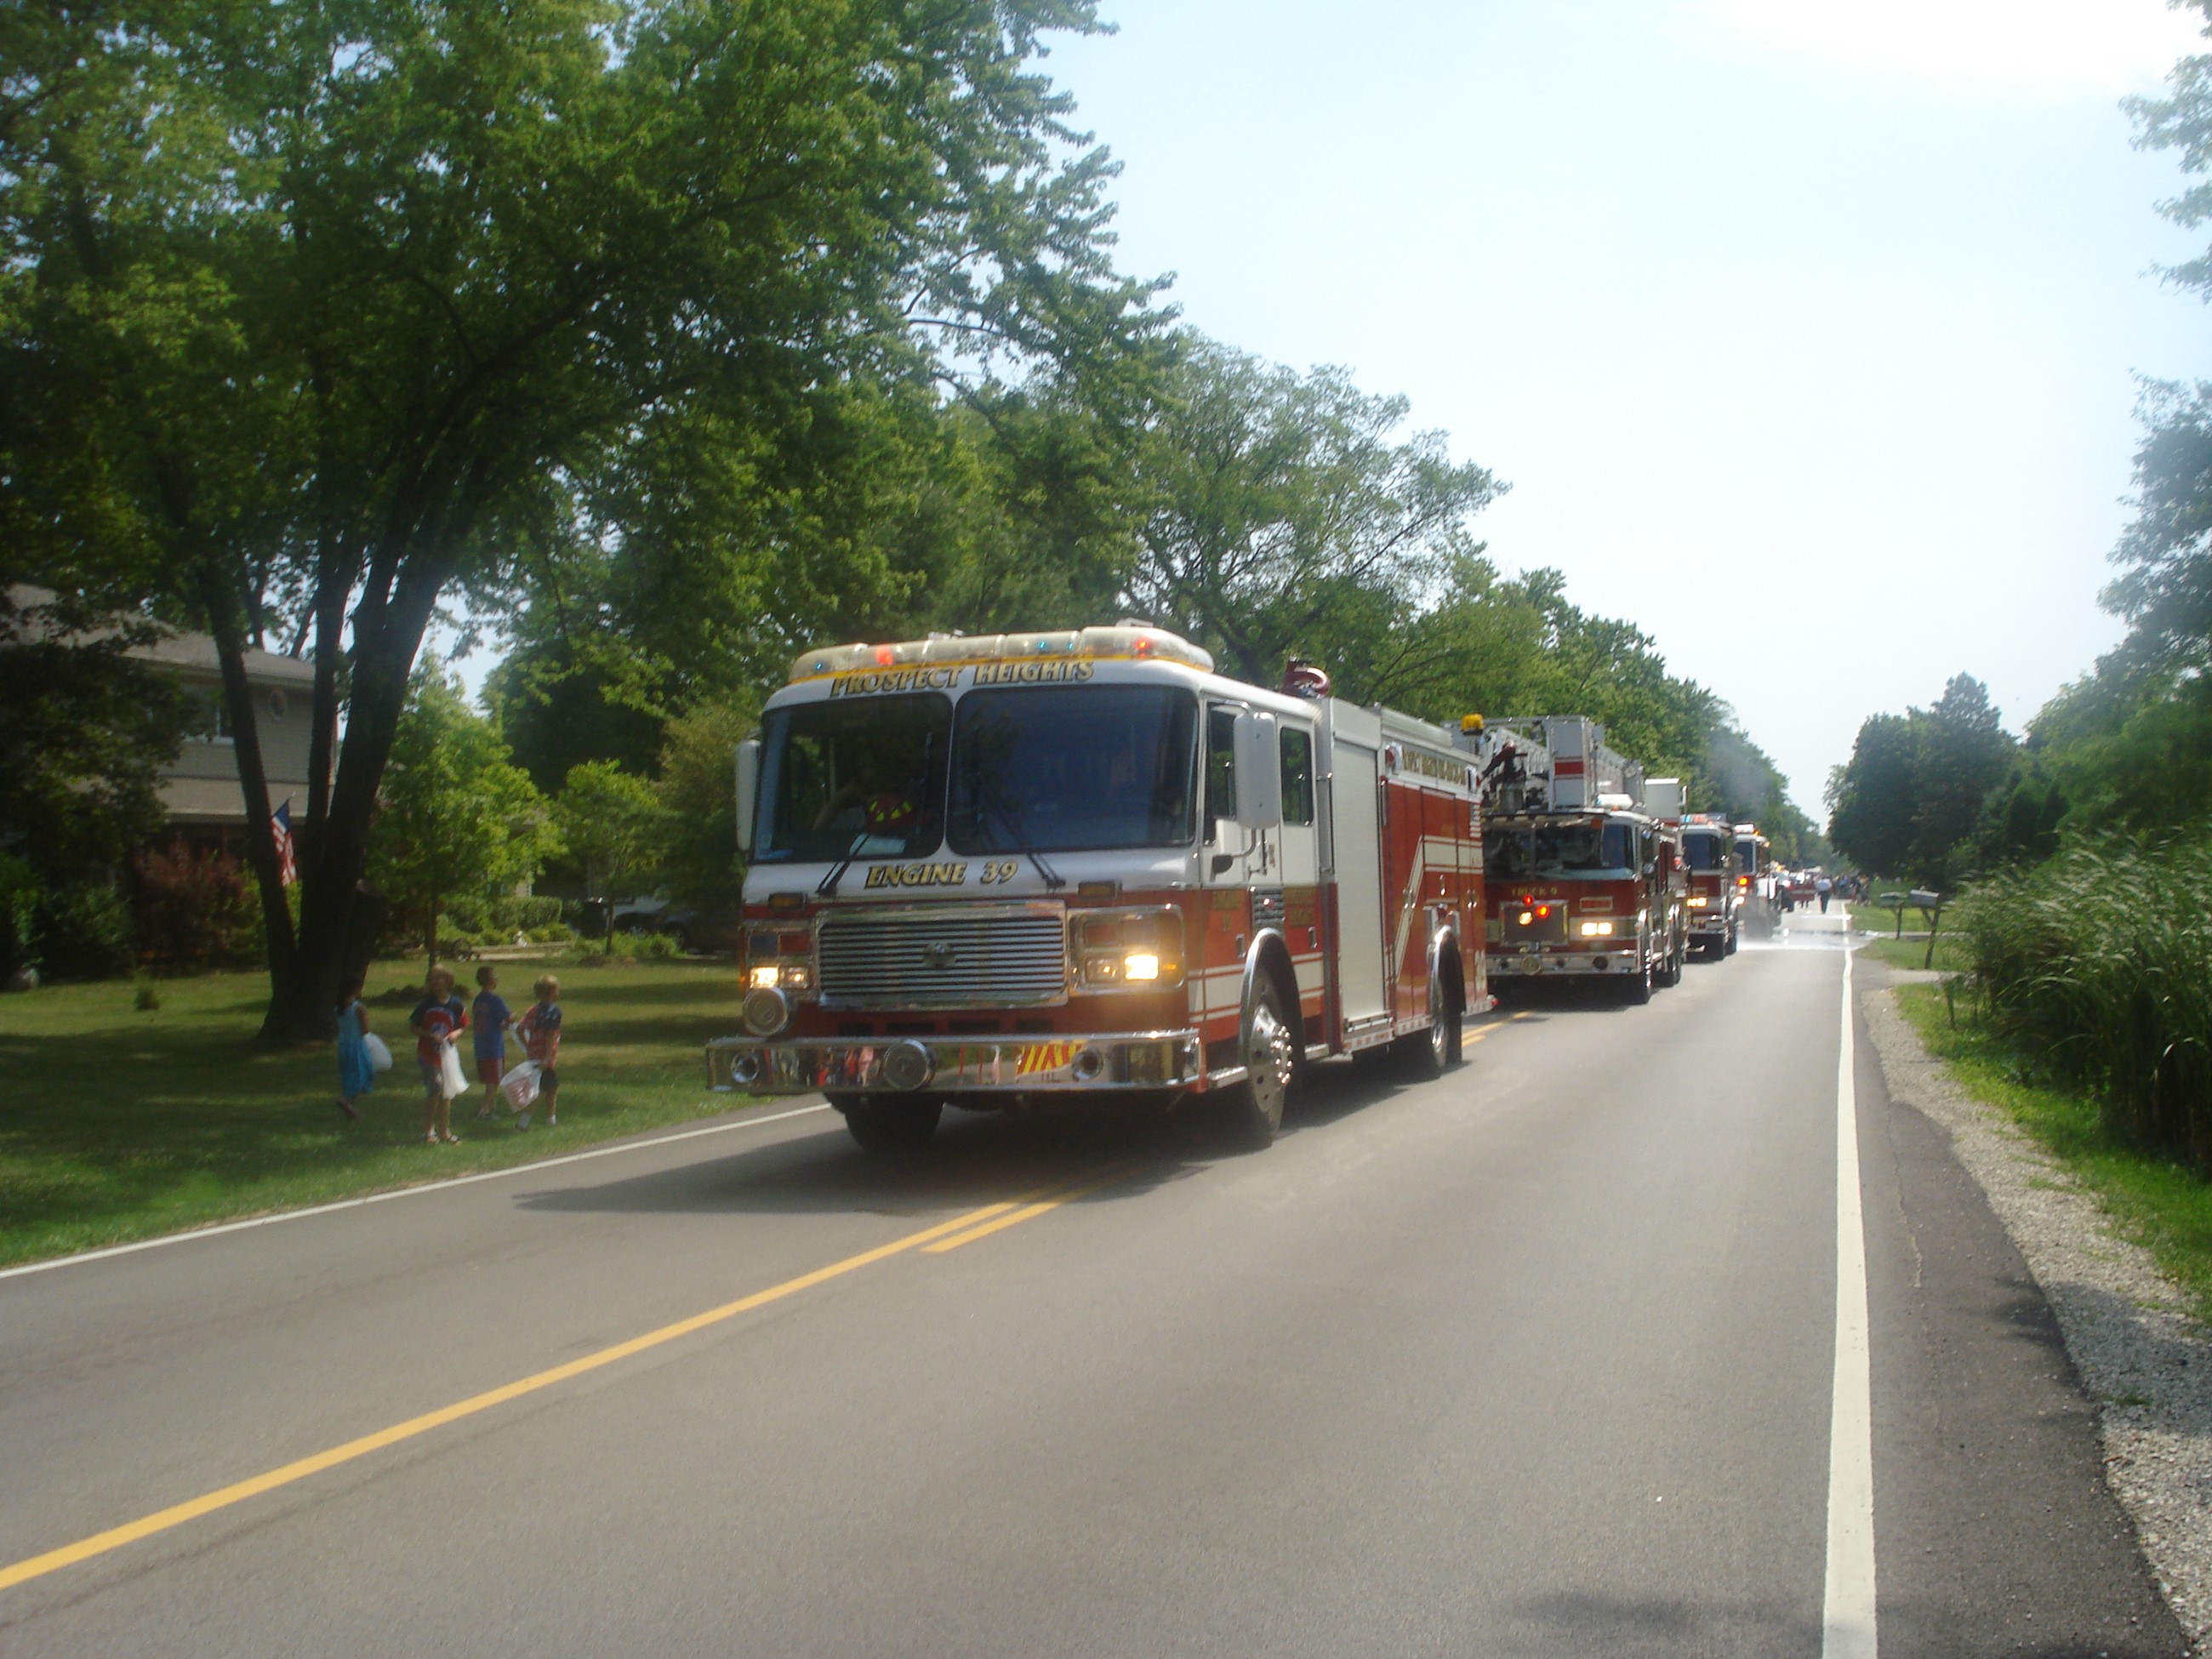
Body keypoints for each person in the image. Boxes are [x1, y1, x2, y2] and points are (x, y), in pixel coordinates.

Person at [408, 965, 469, 1145]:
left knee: (446, 1092)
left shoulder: (456, 1004)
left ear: (448, 981)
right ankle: (429, 1131)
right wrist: (429, 1035)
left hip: (446, 1054)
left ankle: (444, 1131)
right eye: (431, 979)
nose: (434, 982)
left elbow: (463, 1025)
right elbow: (413, 1027)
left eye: (438, 978)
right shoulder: (426, 1004)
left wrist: (456, 1034)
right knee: (435, 1086)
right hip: (427, 1053)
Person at [515, 974, 563, 1130]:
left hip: (534, 1056)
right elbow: (551, 1035)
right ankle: (525, 1123)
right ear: (552, 991)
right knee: (542, 1090)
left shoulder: (533, 1010)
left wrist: (528, 1046)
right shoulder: (553, 1012)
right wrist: (548, 1057)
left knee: (550, 1087)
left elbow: (520, 1029)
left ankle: (549, 1119)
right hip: (545, 1059)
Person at [470, 965, 514, 1119]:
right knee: (494, 1081)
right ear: (492, 981)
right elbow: (508, 1017)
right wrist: (512, 1018)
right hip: (494, 1047)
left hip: (480, 1046)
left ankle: (491, 1110)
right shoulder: (495, 1000)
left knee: (490, 1079)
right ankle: (483, 1110)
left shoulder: (478, 1000)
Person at [334, 975, 374, 1121]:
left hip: (343, 1044)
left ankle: (351, 1109)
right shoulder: (358, 1008)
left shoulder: (338, 1008)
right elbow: (365, 1029)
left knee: (350, 1074)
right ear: (356, 989)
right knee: (364, 1073)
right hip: (356, 1044)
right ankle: (346, 1100)